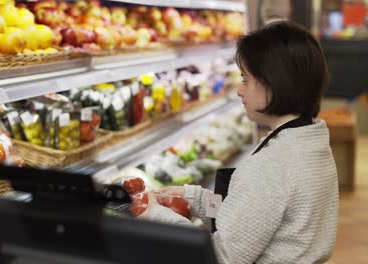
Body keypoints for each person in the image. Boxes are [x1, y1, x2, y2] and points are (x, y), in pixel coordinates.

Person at [139, 21, 339, 264]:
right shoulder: (308, 140)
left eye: (245, 79)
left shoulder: (272, 167)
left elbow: (221, 257)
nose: (238, 90)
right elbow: (250, 216)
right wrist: (194, 199)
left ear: (274, 83)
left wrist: (156, 215)